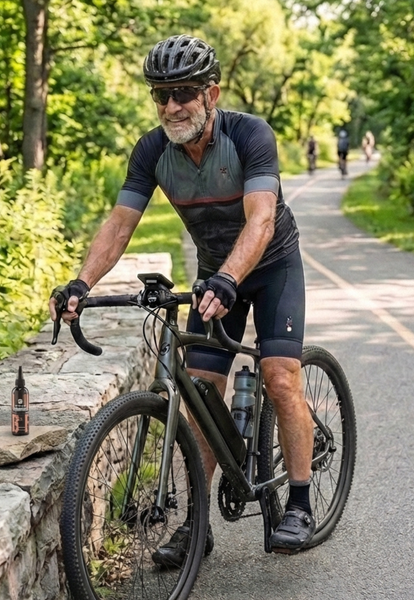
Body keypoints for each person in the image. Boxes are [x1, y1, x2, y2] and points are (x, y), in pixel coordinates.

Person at [49, 34, 315, 563]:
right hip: (216, 276)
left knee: (280, 376)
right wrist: (82, 283)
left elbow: (261, 218)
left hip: (270, 268)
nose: (172, 105)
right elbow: (120, 224)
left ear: (211, 94)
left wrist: (230, 279)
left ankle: (301, 502)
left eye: (185, 92)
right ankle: (197, 524)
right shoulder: (152, 150)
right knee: (198, 394)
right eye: (161, 95)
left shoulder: (250, 135)